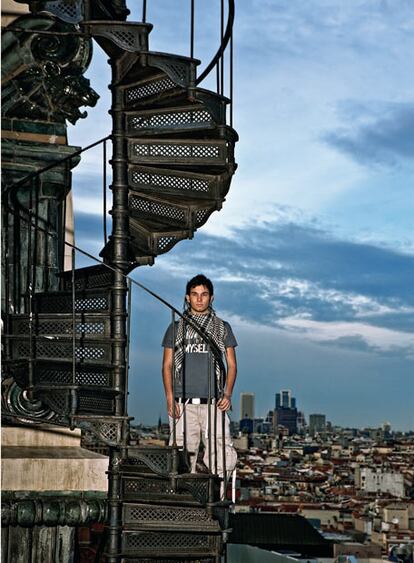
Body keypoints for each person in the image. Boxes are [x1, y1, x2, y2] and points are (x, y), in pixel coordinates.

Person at [162, 274, 237, 479]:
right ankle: (183, 502)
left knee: (222, 454)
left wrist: (228, 394)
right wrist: (170, 398)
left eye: (204, 294)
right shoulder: (176, 328)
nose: (199, 299)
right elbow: (167, 365)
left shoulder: (222, 327)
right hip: (182, 402)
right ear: (187, 298)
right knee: (181, 458)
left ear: (211, 298)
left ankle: (218, 497)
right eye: (194, 294)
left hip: (214, 402)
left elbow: (231, 364)